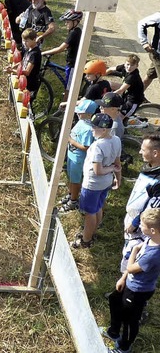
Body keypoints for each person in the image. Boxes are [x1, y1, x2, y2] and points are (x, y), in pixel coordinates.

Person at [102, 207, 160, 353]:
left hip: (137, 291)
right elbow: (129, 269)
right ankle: (114, 331)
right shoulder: (150, 239)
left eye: (142, 225)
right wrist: (122, 278)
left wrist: (134, 250)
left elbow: (131, 267)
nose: (139, 226)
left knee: (129, 320)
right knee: (114, 300)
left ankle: (123, 347)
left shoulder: (154, 255)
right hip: (129, 283)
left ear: (153, 230)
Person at [72, 113, 121, 249]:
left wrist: (110, 168)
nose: (92, 129)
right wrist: (118, 178)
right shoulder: (116, 140)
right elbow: (118, 162)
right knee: (98, 207)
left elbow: (98, 170)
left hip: (93, 185)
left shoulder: (97, 146)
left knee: (90, 213)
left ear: (104, 129)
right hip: (106, 182)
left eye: (94, 127)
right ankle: (92, 232)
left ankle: (86, 240)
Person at [58, 99, 98, 213]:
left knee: (75, 180)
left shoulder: (88, 129)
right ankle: (71, 194)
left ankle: (74, 201)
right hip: (71, 154)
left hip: (78, 158)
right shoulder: (81, 122)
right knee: (71, 176)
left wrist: (69, 139)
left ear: (89, 114)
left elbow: (86, 147)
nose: (78, 113)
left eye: (81, 112)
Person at [42, 9, 82, 103]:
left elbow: (61, 48)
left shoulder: (74, 33)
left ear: (75, 22)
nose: (65, 24)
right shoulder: (74, 30)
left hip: (73, 64)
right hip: (70, 62)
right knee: (68, 86)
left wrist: (44, 52)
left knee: (69, 89)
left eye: (67, 22)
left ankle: (64, 111)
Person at [4, 29, 41, 106]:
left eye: (27, 41)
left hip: (29, 85)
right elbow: (23, 61)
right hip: (23, 82)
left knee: (24, 105)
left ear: (34, 39)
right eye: (24, 41)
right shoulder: (29, 49)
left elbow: (27, 72)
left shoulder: (35, 54)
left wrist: (12, 71)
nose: (24, 43)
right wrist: (13, 66)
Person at [137, 12, 160, 90]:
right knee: (151, 74)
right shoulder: (159, 17)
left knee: (151, 74)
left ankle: (136, 96)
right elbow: (142, 24)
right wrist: (144, 43)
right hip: (158, 55)